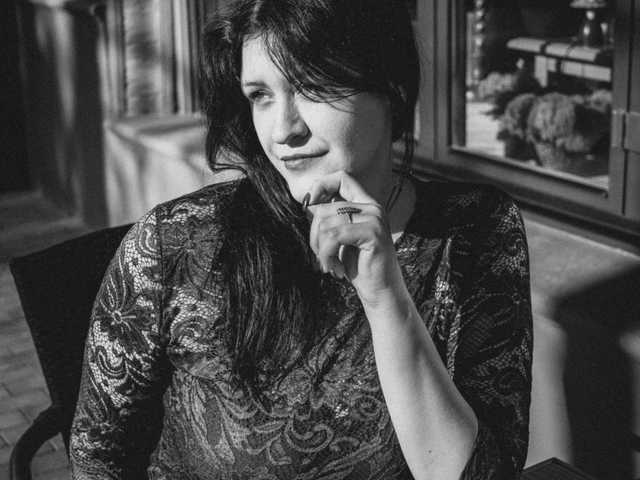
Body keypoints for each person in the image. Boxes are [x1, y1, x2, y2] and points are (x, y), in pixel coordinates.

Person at [70, 0, 533, 478]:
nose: (283, 130)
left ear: (390, 87)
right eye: (260, 95)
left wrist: (385, 299)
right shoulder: (176, 244)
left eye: (312, 86)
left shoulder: (475, 232)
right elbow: (96, 458)